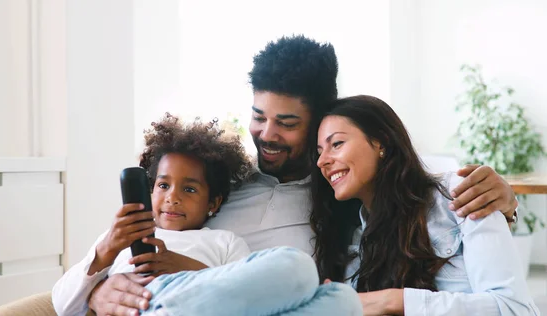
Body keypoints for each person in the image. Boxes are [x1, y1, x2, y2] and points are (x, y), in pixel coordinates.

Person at [87, 35, 519, 316]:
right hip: (179, 297)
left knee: (323, 292)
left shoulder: (343, 196)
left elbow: (408, 180)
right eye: (259, 117)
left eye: (288, 124)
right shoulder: (218, 185)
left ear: (319, 123)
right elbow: (142, 239)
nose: (267, 135)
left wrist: (503, 196)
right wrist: (98, 288)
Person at [54, 114, 361, 316]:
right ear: (150, 192)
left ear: (213, 203)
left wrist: (185, 267)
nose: (172, 197)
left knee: (343, 301)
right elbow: (62, 303)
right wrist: (107, 248)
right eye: (163, 185)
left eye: (189, 190)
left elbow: (245, 287)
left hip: (206, 304)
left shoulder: (223, 241)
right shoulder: (122, 240)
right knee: (299, 265)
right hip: (148, 301)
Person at [312, 95, 539, 315]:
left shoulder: (458, 194)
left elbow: (514, 309)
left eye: (337, 144)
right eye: (320, 152)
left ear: (381, 141)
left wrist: (393, 300)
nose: (322, 161)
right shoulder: (356, 243)